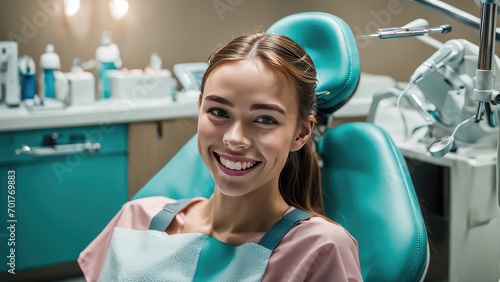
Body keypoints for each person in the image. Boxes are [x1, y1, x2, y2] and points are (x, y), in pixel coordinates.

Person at [78, 32, 362, 282]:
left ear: (301, 133)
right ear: (199, 108)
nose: (234, 139)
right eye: (218, 112)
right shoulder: (136, 219)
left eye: (264, 119)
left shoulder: (318, 249)